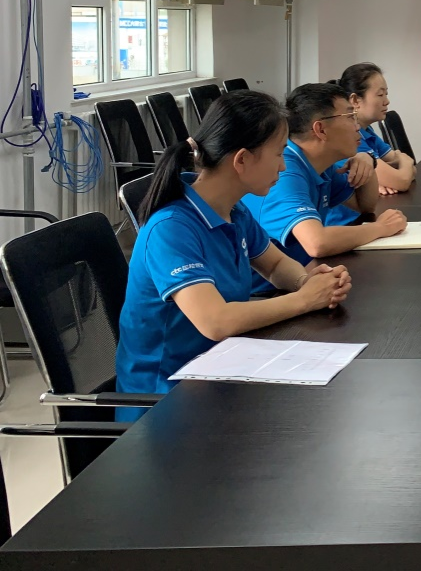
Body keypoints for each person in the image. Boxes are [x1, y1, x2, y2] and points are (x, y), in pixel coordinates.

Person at [115, 91, 352, 413]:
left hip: (221, 369)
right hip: (165, 401)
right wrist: (305, 299)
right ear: (241, 160)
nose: (283, 165)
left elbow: (275, 265)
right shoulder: (171, 228)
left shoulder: (233, 210)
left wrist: (306, 281)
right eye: (278, 154)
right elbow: (215, 321)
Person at [241, 83, 406, 291]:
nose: (357, 127)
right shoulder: (284, 172)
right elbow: (317, 243)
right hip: (267, 295)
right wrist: (381, 228)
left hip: (302, 278)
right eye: (350, 117)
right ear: (320, 129)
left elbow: (365, 205)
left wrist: (367, 161)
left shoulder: (321, 163)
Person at [325, 64, 416, 233]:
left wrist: (400, 166)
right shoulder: (349, 137)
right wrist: (403, 163)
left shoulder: (367, 131)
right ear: (355, 100)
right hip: (347, 225)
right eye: (380, 95)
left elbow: (403, 169)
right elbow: (401, 180)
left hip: (364, 218)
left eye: (386, 94)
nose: (387, 101)